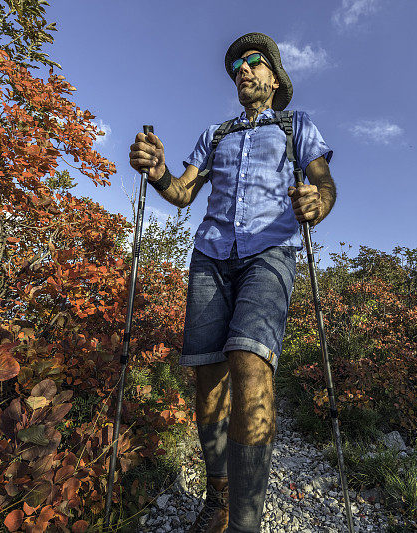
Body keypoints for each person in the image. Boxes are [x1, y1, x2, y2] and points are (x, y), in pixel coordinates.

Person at [128, 32, 337, 533]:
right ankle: (217, 496)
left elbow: (324, 183)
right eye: (236, 66)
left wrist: (318, 203)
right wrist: (158, 171)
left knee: (248, 357)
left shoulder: (296, 125)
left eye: (253, 62)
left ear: (273, 77)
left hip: (270, 252)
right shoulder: (215, 134)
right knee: (207, 377)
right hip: (210, 256)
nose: (242, 70)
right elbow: (182, 192)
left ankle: (246, 521)